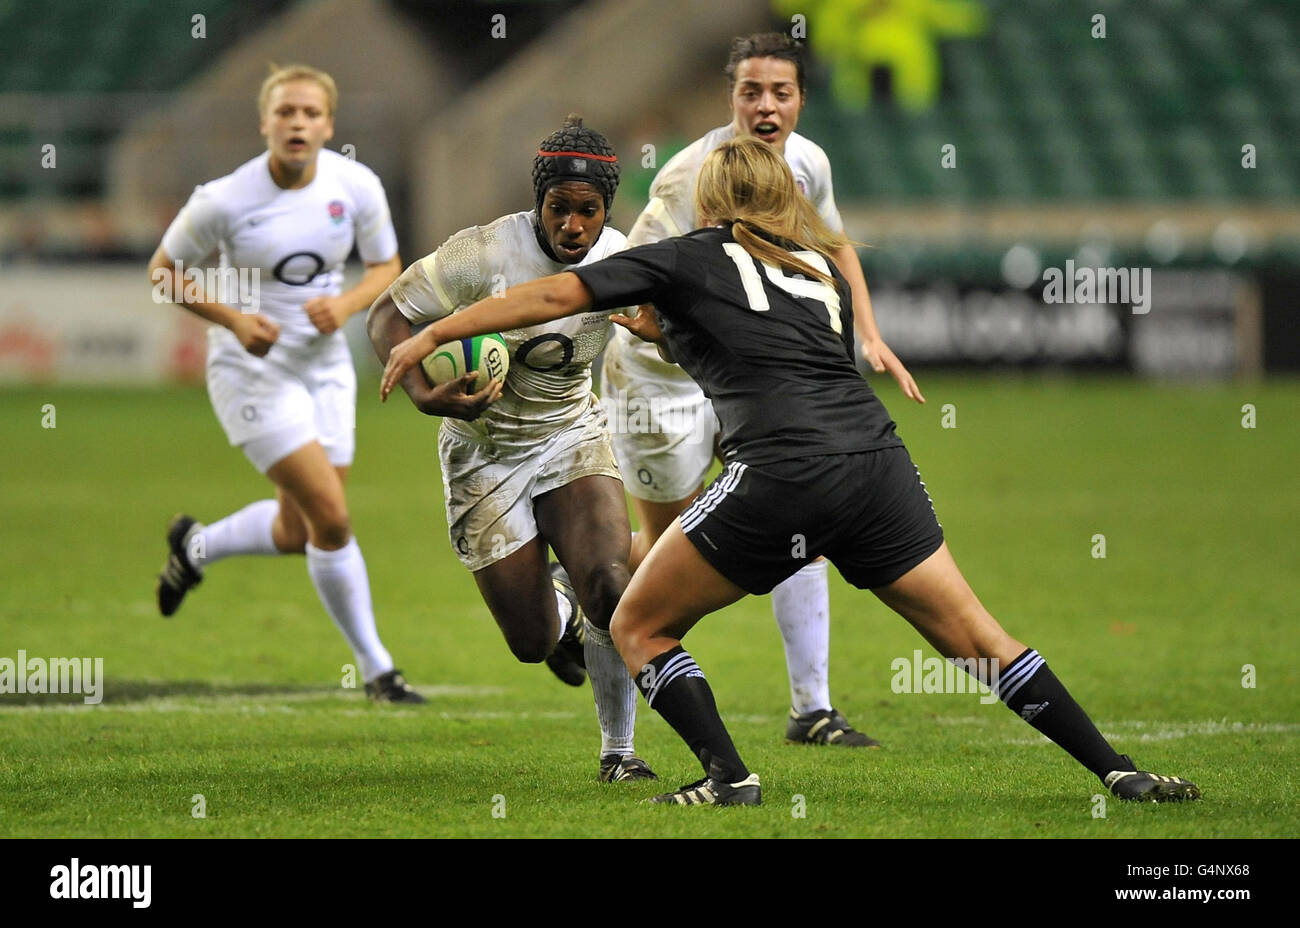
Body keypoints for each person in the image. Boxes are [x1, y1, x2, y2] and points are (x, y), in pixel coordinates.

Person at [380, 137, 1201, 807]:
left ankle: (728, 779)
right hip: (878, 467)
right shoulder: (817, 277)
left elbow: (553, 297)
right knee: (978, 640)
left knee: (635, 624)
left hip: (781, 475)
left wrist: (428, 336)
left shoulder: (681, 256)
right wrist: (669, 332)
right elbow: (768, 356)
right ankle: (1117, 770)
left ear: (710, 202)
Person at [602, 32, 923, 747]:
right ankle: (583, 583)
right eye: (751, 91)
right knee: (665, 556)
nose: (765, 105)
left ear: (802, 99)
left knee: (797, 526)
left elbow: (834, 244)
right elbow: (637, 274)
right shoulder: (689, 177)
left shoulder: (808, 164)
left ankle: (812, 709)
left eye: (780, 91)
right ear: (731, 99)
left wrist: (868, 332)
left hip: (747, 378)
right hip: (657, 378)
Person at [365, 116, 655, 782]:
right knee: (533, 643)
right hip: (483, 454)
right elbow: (387, 315)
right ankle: (558, 605)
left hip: (571, 436)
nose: (574, 226)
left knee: (611, 585)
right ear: (539, 203)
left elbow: (686, 326)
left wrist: (663, 337)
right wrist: (420, 391)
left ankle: (619, 754)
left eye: (589, 211)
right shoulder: (483, 254)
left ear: (607, 210)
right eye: (560, 209)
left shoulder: (624, 260)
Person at [149, 64, 423, 703]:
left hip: (325, 367)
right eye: (285, 112)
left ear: (328, 124)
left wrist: (351, 304)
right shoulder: (223, 199)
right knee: (332, 518)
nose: (297, 123)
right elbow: (164, 272)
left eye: (309, 113)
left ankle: (197, 547)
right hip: (251, 371)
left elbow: (387, 264)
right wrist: (235, 319)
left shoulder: (355, 185)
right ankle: (380, 671)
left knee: (299, 530)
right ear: (265, 122)